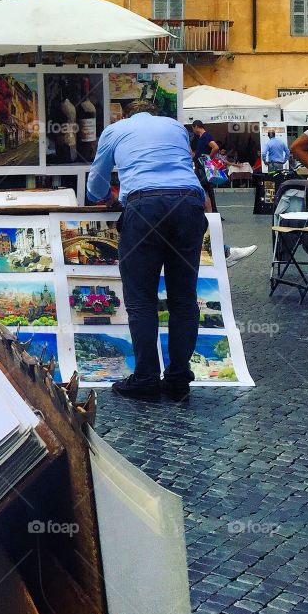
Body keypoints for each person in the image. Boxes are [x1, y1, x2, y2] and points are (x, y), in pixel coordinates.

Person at [87, 100, 210, 402]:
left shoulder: (115, 130)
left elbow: (96, 183)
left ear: (127, 115)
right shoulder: (176, 128)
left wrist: (106, 198)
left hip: (145, 207)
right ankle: (179, 379)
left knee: (141, 299)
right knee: (183, 298)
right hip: (188, 204)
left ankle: (145, 379)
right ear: (157, 114)